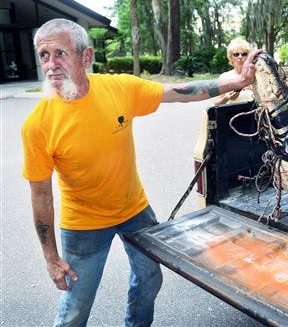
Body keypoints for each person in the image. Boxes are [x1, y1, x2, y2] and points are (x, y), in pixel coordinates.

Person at [21, 18, 261, 327]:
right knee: (76, 306)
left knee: (149, 278)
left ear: (86, 57)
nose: (51, 64)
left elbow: (180, 90)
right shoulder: (38, 125)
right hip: (83, 225)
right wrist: (52, 259)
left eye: (60, 53)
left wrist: (238, 82)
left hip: (134, 210)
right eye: (44, 55)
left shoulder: (119, 88)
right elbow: (41, 196)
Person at [214, 37, 254, 105]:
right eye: (236, 54)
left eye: (244, 54)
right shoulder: (224, 77)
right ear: (231, 57)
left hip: (254, 112)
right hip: (232, 113)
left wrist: (254, 89)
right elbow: (216, 103)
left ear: (248, 56)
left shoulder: (255, 74)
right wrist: (226, 98)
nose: (240, 57)